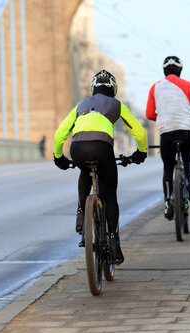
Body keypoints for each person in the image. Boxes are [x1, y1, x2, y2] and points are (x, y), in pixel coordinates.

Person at [53, 70, 147, 264]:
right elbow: (138, 132)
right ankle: (113, 242)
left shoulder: (81, 105)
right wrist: (141, 152)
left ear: (93, 88)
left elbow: (60, 133)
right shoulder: (117, 105)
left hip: (77, 149)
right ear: (113, 90)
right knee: (110, 195)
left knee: (85, 170)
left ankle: (81, 212)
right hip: (102, 149)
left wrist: (59, 157)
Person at [145, 56, 190, 220]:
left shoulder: (155, 87)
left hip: (167, 134)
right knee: (188, 159)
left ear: (164, 71)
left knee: (168, 168)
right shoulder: (188, 85)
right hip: (186, 132)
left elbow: (149, 114)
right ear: (180, 70)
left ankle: (168, 203)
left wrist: (164, 117)